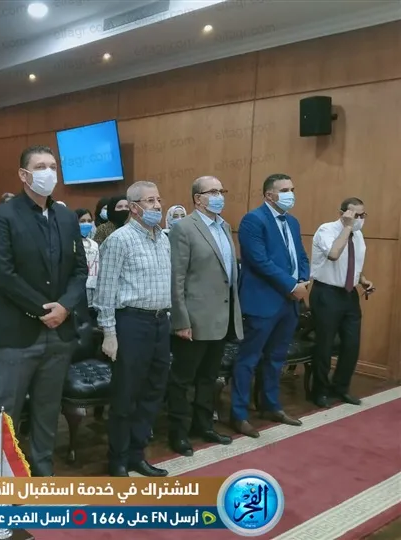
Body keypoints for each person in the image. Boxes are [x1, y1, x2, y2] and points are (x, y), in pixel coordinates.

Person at [0, 145, 87, 477]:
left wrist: (65, 307)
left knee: (47, 409)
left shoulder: (67, 217)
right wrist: (44, 310)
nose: (49, 173)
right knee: (5, 412)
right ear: (23, 175)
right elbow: (3, 274)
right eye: (41, 167)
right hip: (16, 333)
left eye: (53, 166)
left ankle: (42, 472)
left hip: (59, 332)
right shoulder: (2, 216)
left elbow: (80, 271)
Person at [94, 181, 171, 477]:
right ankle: (118, 459)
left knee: (153, 391)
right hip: (131, 323)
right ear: (134, 207)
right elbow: (105, 290)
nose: (157, 205)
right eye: (150, 201)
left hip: (160, 322)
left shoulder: (163, 238)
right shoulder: (119, 240)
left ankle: (138, 454)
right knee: (126, 394)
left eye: (158, 199)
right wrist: (109, 333)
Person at [167, 177, 242, 456]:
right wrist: (181, 320)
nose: (220, 195)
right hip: (194, 320)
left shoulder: (224, 226)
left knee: (209, 377)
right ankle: (178, 433)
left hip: (221, 317)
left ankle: (203, 425)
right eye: (213, 191)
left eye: (222, 191)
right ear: (198, 198)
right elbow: (176, 279)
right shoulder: (184, 228)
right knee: (182, 380)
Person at [232, 173, 310, 438]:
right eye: (284, 190)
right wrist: (291, 285)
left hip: (289, 303)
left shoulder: (293, 222)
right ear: (269, 195)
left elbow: (300, 255)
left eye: (292, 188)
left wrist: (303, 280)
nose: (291, 194)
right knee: (248, 359)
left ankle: (271, 406)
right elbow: (260, 261)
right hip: (263, 301)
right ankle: (239, 414)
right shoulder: (253, 220)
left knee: (276, 358)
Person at [309, 198, 373, 408]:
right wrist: (347, 227)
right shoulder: (326, 230)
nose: (359, 219)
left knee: (352, 344)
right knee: (325, 345)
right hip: (326, 293)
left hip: (349, 294)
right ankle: (319, 391)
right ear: (342, 213)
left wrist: (362, 280)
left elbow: (352, 262)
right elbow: (334, 254)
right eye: (355, 215)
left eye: (362, 215)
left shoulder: (358, 235)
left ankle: (341, 388)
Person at [76, 208, 99, 310]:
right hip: (79, 289)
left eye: (89, 221)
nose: (86, 224)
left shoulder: (94, 244)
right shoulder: (70, 242)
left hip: (93, 288)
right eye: (82, 221)